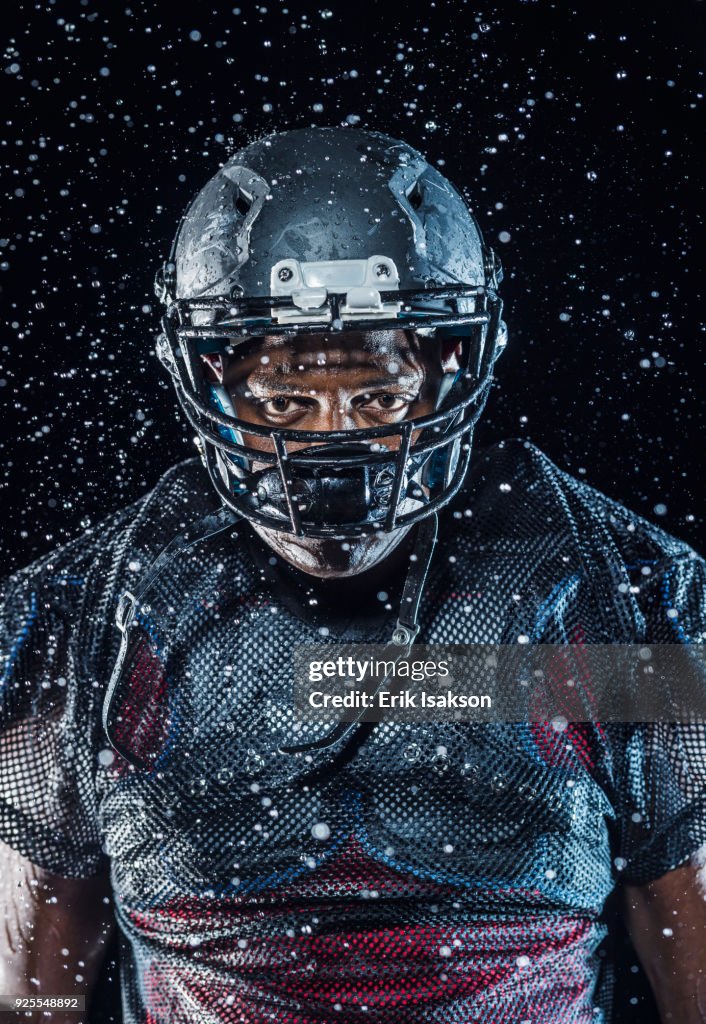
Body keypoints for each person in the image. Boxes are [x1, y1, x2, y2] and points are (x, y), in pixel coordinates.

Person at [1, 126, 705, 1024]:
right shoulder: (81, 616)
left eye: (375, 397)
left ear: (452, 366)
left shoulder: (627, 596)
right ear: (209, 377)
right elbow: (29, 991)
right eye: (288, 401)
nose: (335, 450)